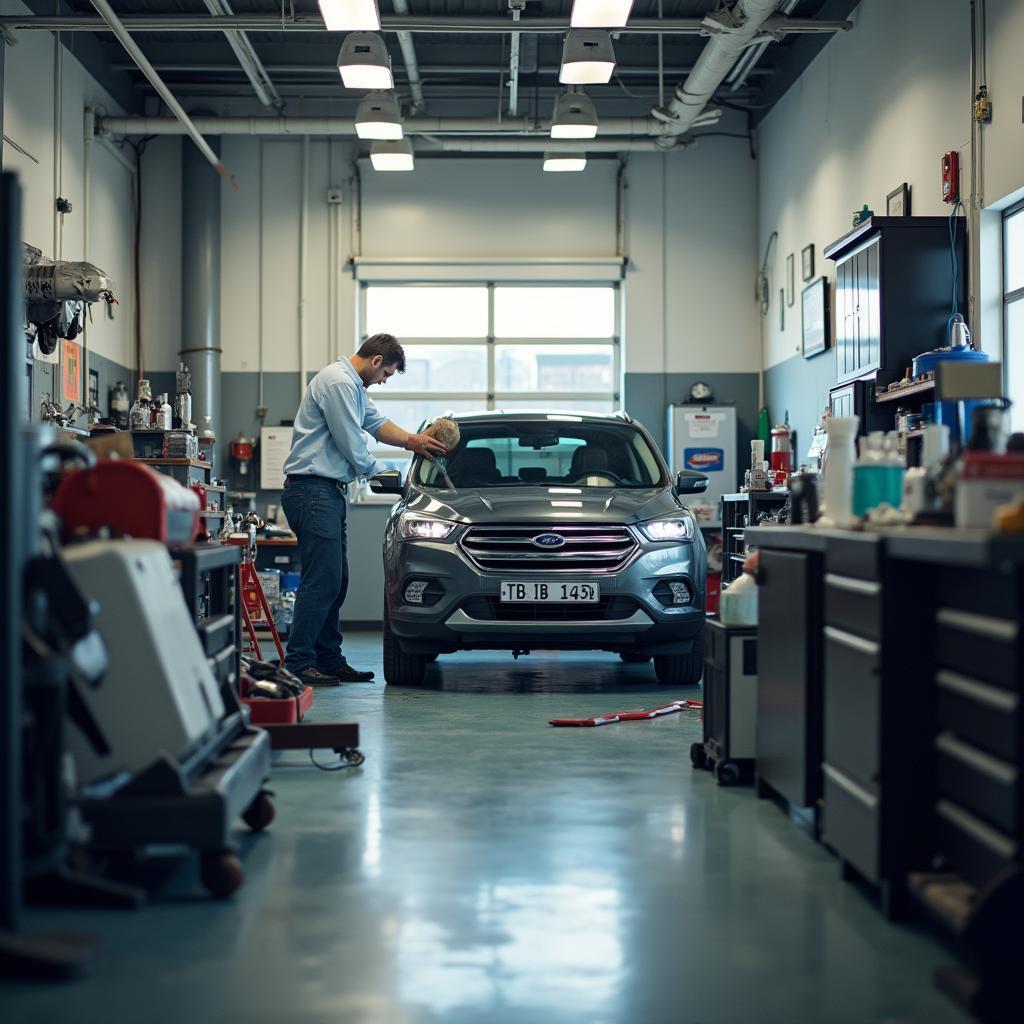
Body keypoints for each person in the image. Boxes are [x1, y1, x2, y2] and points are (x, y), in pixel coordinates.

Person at [281, 334, 447, 685]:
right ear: (375, 361)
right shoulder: (339, 383)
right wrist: (379, 473)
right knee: (322, 580)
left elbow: (376, 423)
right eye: (386, 373)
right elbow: (350, 440)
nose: (384, 380)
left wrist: (412, 441)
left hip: (327, 493)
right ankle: (297, 663)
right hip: (312, 491)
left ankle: (328, 659)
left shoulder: (354, 387)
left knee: (335, 581)